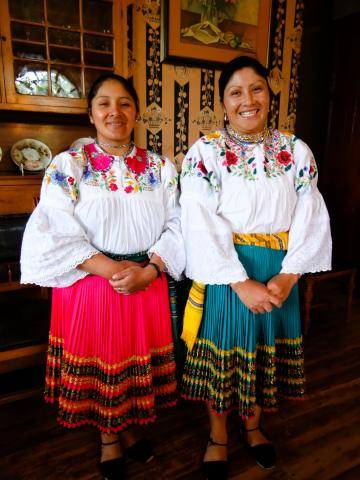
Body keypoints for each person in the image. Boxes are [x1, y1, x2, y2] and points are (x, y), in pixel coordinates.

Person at [20, 73, 185, 480]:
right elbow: (54, 227)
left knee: (129, 363)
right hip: (92, 281)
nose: (115, 112)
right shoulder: (69, 164)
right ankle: (110, 437)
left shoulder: (161, 167)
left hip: (146, 281)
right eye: (105, 104)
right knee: (104, 362)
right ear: (91, 113)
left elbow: (179, 224)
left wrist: (151, 270)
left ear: (136, 111)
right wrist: (112, 269)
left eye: (125, 103)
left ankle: (125, 428)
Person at [179, 55, 331, 480]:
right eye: (236, 92)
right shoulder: (206, 152)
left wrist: (288, 275)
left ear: (269, 93)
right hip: (227, 273)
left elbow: (310, 215)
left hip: (281, 271)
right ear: (223, 102)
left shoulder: (295, 149)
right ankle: (218, 437)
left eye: (257, 88)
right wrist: (240, 282)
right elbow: (198, 220)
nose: (248, 99)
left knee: (262, 355)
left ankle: (254, 427)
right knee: (224, 358)